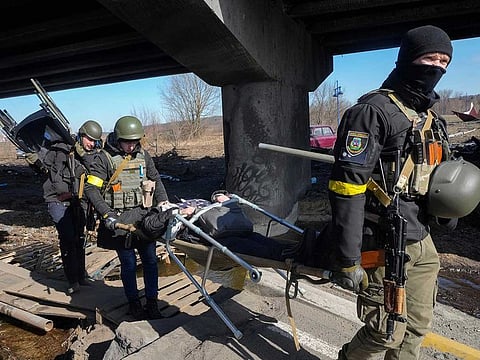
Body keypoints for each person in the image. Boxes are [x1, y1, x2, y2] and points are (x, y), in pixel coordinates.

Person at [324, 25, 456, 359]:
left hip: (422, 242)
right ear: (409, 59)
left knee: (415, 329)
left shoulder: (429, 119)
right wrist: (348, 257)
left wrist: (446, 211)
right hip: (382, 243)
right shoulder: (372, 113)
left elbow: (440, 174)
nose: (437, 68)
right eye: (430, 58)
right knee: (384, 333)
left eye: (444, 62)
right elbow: (346, 188)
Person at [84, 115, 193, 320]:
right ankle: (134, 303)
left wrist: (163, 202)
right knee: (128, 263)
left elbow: (155, 178)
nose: (131, 146)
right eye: (127, 142)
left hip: (144, 217)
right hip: (120, 219)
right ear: (118, 139)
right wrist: (107, 214)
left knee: (151, 261)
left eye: (135, 142)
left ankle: (152, 303)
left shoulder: (143, 155)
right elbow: (91, 189)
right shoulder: (104, 159)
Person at [41, 120, 103, 295]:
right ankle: (72, 280)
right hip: (58, 200)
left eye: (95, 141)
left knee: (79, 238)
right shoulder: (61, 150)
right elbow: (47, 169)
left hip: (78, 201)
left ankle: (81, 276)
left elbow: (94, 176)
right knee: (68, 238)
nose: (92, 144)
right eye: (89, 139)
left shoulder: (91, 156)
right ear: (81, 136)